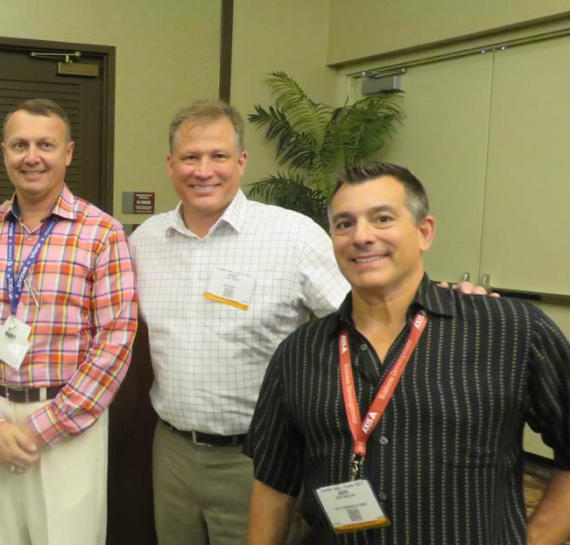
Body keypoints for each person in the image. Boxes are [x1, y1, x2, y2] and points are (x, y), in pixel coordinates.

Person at [245, 162, 570, 545]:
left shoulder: (511, 330)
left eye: (382, 218)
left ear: (424, 232)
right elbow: (274, 486)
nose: (361, 236)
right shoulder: (298, 354)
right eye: (344, 224)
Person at [129, 98, 348, 545]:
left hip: (257, 456)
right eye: (190, 157)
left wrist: (446, 300)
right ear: (171, 165)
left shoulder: (294, 235)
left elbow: (362, 318)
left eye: (218, 156)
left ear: (241, 162)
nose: (203, 170)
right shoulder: (144, 241)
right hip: (171, 452)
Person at [0, 98, 137, 545]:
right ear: (4, 154)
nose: (32, 156)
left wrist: (41, 428)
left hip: (69, 423)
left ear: (68, 153)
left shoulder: (102, 233)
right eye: (19, 145)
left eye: (45, 144)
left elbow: (116, 342)